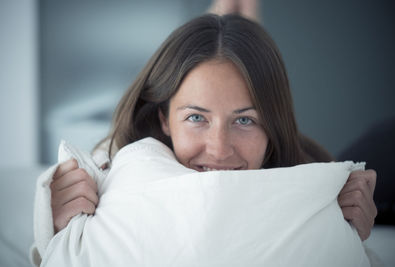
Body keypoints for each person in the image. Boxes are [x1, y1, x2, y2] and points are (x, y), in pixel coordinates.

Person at [38, 8, 377, 264]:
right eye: (197, 117)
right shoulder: (120, 168)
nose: (219, 149)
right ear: (164, 119)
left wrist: (352, 234)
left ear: (273, 125)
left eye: (244, 120)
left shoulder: (314, 187)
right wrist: (50, 224)